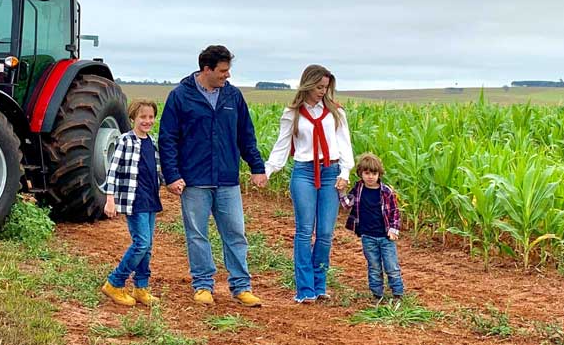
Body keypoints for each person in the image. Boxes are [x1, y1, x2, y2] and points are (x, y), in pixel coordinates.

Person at [158, 45, 267, 307]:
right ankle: (203, 285)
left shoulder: (233, 96)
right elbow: (168, 139)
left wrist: (257, 166)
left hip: (227, 179)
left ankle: (241, 287)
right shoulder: (180, 97)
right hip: (194, 180)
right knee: (197, 234)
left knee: (236, 233)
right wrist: (171, 175)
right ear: (206, 69)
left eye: (228, 70)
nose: (227, 76)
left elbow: (246, 135)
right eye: (222, 71)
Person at [264, 65, 353, 303]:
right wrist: (267, 171)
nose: (323, 91)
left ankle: (319, 283)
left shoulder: (336, 112)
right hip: (303, 171)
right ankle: (305, 289)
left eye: (326, 87)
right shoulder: (292, 113)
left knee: (325, 232)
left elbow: (344, 143)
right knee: (304, 231)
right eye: (319, 87)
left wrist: (345, 171)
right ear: (307, 84)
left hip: (330, 172)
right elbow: (282, 145)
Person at [99, 99, 164, 307]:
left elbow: (157, 171)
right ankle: (114, 283)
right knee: (141, 243)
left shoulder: (151, 142)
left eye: (151, 117)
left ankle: (140, 288)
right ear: (133, 118)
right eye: (142, 117)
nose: (147, 121)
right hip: (134, 200)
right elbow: (113, 171)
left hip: (151, 199)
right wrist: (110, 199)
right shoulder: (125, 140)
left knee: (148, 246)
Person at [343, 152, 406, 303]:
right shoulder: (358, 189)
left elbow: (394, 212)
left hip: (385, 237)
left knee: (391, 266)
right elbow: (347, 204)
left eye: (374, 173)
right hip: (367, 236)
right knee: (374, 266)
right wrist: (341, 190)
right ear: (360, 174)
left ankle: (398, 294)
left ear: (379, 174)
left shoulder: (386, 192)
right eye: (366, 173)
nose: (370, 176)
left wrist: (394, 229)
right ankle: (377, 295)